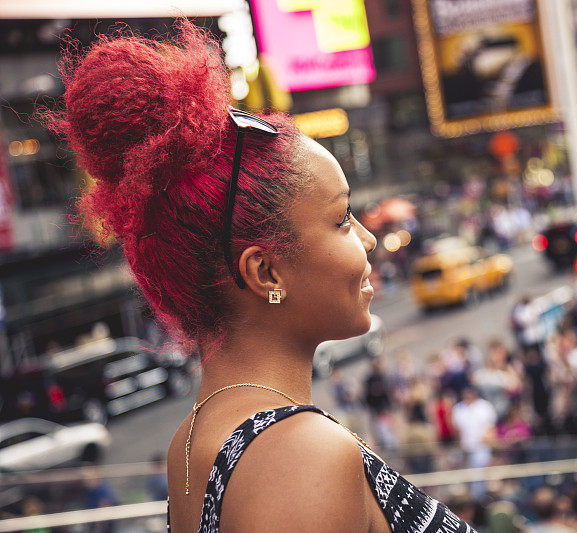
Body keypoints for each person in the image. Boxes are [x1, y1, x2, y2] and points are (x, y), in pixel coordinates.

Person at [53, 21, 476, 532]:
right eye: (342, 218)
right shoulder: (297, 453)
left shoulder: (194, 439)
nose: (366, 239)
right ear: (266, 271)